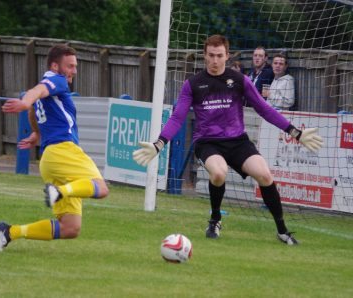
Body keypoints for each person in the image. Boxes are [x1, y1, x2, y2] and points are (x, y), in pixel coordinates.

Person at [133, 35, 323, 245]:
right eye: (211, 56)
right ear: (205, 55)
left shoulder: (240, 80)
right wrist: (159, 144)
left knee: (265, 175)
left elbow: (264, 109)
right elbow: (178, 117)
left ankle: (282, 230)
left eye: (219, 56)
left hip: (238, 141)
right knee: (218, 172)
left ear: (227, 56)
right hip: (208, 142)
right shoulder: (193, 84)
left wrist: (295, 132)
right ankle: (215, 219)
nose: (215, 60)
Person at [0, 44, 109, 252]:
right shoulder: (57, 80)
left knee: (70, 228)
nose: (74, 71)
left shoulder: (49, 86)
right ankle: (59, 191)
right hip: (64, 151)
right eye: (70, 66)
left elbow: (34, 105)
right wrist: (26, 102)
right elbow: (35, 92)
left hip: (50, 159)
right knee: (101, 188)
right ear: (55, 66)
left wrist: (37, 133)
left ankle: (9, 233)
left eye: (75, 66)